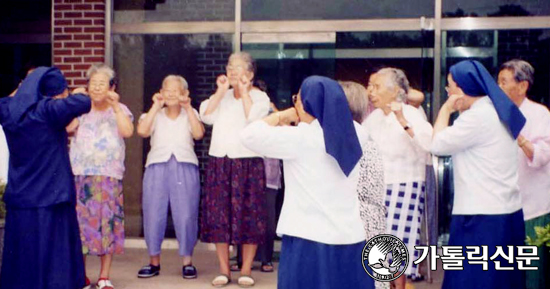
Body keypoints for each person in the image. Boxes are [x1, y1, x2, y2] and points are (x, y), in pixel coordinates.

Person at [240, 76, 382, 289]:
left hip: (307, 238)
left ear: (306, 104)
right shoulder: (358, 133)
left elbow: (249, 135)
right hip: (349, 236)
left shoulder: (299, 138)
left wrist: (279, 116)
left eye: (297, 98)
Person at [431, 59, 526, 289]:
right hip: (507, 212)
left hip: (481, 216)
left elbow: (436, 144)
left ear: (461, 90)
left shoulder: (476, 117)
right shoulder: (496, 111)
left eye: (449, 87)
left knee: (473, 281)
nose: (448, 92)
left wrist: (446, 108)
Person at [0, 67, 91, 289]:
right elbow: (84, 102)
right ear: (56, 93)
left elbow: (9, 98)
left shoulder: (7, 110)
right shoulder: (47, 110)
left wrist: (25, 87)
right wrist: (75, 92)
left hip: (22, 197)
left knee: (24, 255)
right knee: (54, 257)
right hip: (52, 197)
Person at [199, 52, 270, 287]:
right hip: (221, 161)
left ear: (249, 74)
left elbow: (253, 117)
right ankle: (224, 270)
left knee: (250, 216)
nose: (232, 70)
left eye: (238, 67)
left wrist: (245, 91)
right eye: (230, 66)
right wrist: (221, 91)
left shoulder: (260, 98)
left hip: (249, 163)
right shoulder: (223, 96)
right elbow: (206, 116)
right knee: (220, 216)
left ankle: (246, 270)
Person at [363, 67, 433, 288]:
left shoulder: (411, 113)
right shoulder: (373, 118)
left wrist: (403, 120)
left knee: (396, 245)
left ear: (395, 91)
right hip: (377, 186)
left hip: (405, 182)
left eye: (376, 86)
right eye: (370, 86)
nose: (370, 91)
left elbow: (429, 144)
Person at [69, 64, 134, 289]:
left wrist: (115, 106)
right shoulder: (80, 108)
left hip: (108, 176)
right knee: (81, 228)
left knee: (107, 225)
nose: (96, 88)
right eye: (93, 83)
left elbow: (127, 132)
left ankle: (104, 276)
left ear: (112, 87)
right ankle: (82, 276)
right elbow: (68, 128)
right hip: (81, 175)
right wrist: (70, 102)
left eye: (102, 83)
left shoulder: (121, 109)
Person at [136, 75, 204, 279]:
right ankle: (153, 262)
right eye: (167, 89)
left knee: (185, 215)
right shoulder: (154, 113)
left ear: (185, 93)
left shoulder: (190, 113)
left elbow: (198, 134)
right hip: (157, 166)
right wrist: (155, 106)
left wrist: (189, 108)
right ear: (161, 92)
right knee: (153, 213)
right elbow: (142, 131)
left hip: (184, 165)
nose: (171, 93)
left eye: (176, 90)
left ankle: (187, 262)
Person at [498, 59, 550, 289]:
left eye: (504, 82)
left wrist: (518, 135)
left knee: (532, 276)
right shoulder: (496, 115)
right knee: (505, 272)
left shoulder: (539, 114)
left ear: (522, 86)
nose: (498, 87)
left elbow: (540, 157)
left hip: (532, 209)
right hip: (502, 206)